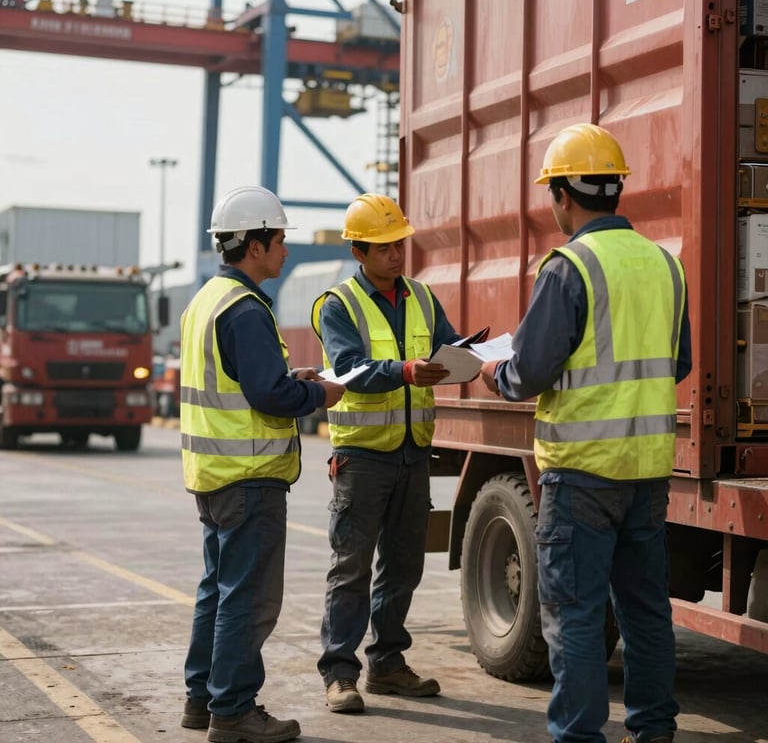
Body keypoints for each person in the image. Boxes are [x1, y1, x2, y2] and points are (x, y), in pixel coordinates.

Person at [480, 123, 691, 743]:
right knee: (647, 610)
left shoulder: (568, 267)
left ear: (564, 196)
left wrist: (496, 374)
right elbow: (677, 364)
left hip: (581, 473)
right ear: (616, 191)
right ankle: (653, 731)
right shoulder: (664, 265)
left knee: (574, 612)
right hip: (648, 470)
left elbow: (532, 370)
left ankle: (578, 736)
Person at [179, 185, 345, 743]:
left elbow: (245, 383)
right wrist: (322, 396)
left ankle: (201, 700)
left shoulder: (206, 300)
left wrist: (287, 381)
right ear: (253, 245)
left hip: (213, 476)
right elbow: (267, 399)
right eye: (279, 240)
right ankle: (234, 712)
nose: (286, 251)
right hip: (249, 478)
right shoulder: (246, 310)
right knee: (247, 600)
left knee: (217, 590)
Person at [311, 193, 462, 713]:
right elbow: (349, 369)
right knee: (350, 567)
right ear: (358, 251)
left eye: (399, 243)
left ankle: (389, 665)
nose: (396, 254)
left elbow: (447, 345)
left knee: (402, 565)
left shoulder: (421, 296)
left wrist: (473, 355)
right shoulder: (338, 304)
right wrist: (404, 370)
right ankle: (339, 673)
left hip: (413, 453)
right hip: (363, 457)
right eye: (383, 247)